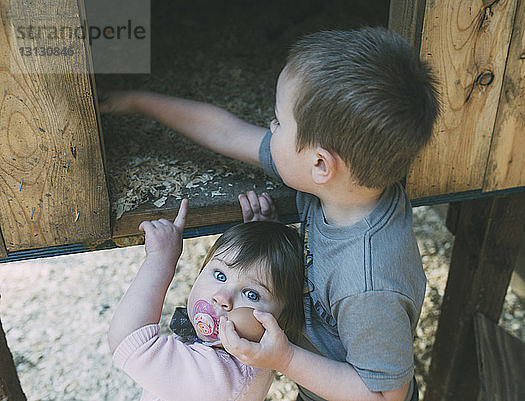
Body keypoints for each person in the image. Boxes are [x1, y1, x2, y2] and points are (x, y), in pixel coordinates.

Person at [102, 27, 439, 401]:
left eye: (278, 123)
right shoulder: (345, 184)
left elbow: (386, 396)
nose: (270, 128)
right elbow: (226, 132)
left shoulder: (368, 283)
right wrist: (137, 101)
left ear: (320, 163)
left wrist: (287, 359)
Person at [108, 199, 305, 401]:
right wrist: (263, 237)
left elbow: (127, 339)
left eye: (251, 294)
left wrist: (161, 258)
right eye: (220, 275)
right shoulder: (257, 357)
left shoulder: (217, 381)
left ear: (282, 323)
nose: (222, 298)